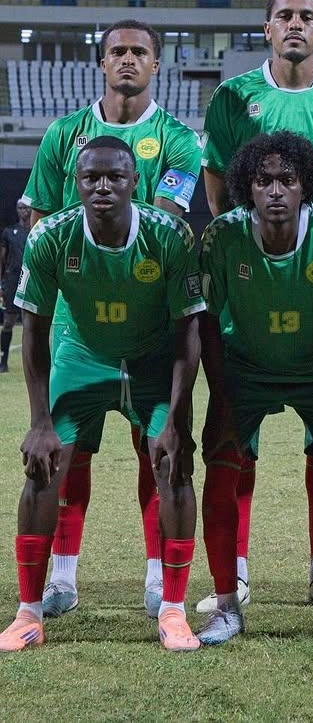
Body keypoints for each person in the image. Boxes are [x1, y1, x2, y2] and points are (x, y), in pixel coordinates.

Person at [199, 0, 313, 614]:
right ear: (267, 28)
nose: (296, 24)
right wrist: (250, 248)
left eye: (308, 16)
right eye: (285, 16)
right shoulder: (233, 97)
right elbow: (218, 186)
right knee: (234, 445)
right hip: (255, 279)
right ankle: (235, 573)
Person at [19, 19, 202, 620]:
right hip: (76, 323)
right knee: (68, 456)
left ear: (156, 63)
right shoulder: (62, 134)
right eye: (117, 51)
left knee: (159, 451)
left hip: (148, 319)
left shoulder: (179, 139)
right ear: (101, 62)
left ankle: (156, 579)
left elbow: (165, 218)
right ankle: (60, 579)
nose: (128, 59)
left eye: (139, 51)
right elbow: (41, 222)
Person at [0, 135, 204, 653]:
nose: (103, 186)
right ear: (77, 183)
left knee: (173, 466)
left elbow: (189, 333)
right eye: (92, 177)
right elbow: (33, 331)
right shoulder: (51, 236)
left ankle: (174, 610)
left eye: (115, 176)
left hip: (151, 359)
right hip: (81, 356)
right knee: (43, 467)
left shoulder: (170, 234)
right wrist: (40, 421)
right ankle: (28, 613)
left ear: (136, 181)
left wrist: (177, 419)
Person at [195, 131, 313, 646]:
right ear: (246, 187)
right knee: (220, 469)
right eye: (263, 180)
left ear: (305, 186)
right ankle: (227, 605)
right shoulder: (222, 236)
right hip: (246, 367)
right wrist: (222, 393)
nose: (275, 191)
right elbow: (206, 321)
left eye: (286, 180)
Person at [0, 199, 32, 372]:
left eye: (26, 207)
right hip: (12, 279)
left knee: (33, 323)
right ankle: (3, 361)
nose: (23, 210)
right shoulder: (9, 232)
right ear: (17, 210)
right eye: (20, 207)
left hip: (32, 279)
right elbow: (2, 259)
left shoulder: (35, 231)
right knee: (8, 321)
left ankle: (33, 363)